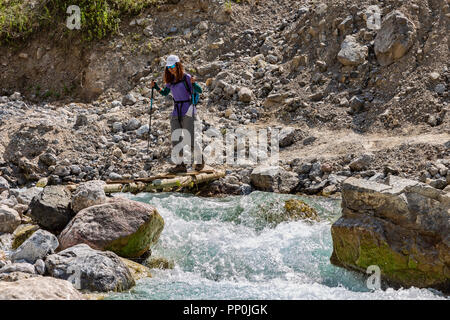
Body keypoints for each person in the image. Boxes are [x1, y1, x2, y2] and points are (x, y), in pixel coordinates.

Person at [151, 55, 204, 173]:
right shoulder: (171, 80)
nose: (170, 68)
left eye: (173, 66)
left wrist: (194, 84)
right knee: (176, 139)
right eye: (168, 67)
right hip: (176, 111)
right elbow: (165, 93)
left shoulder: (186, 78)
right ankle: (181, 165)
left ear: (178, 65)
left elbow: (199, 90)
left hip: (188, 111)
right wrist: (156, 87)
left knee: (190, 139)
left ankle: (200, 161)